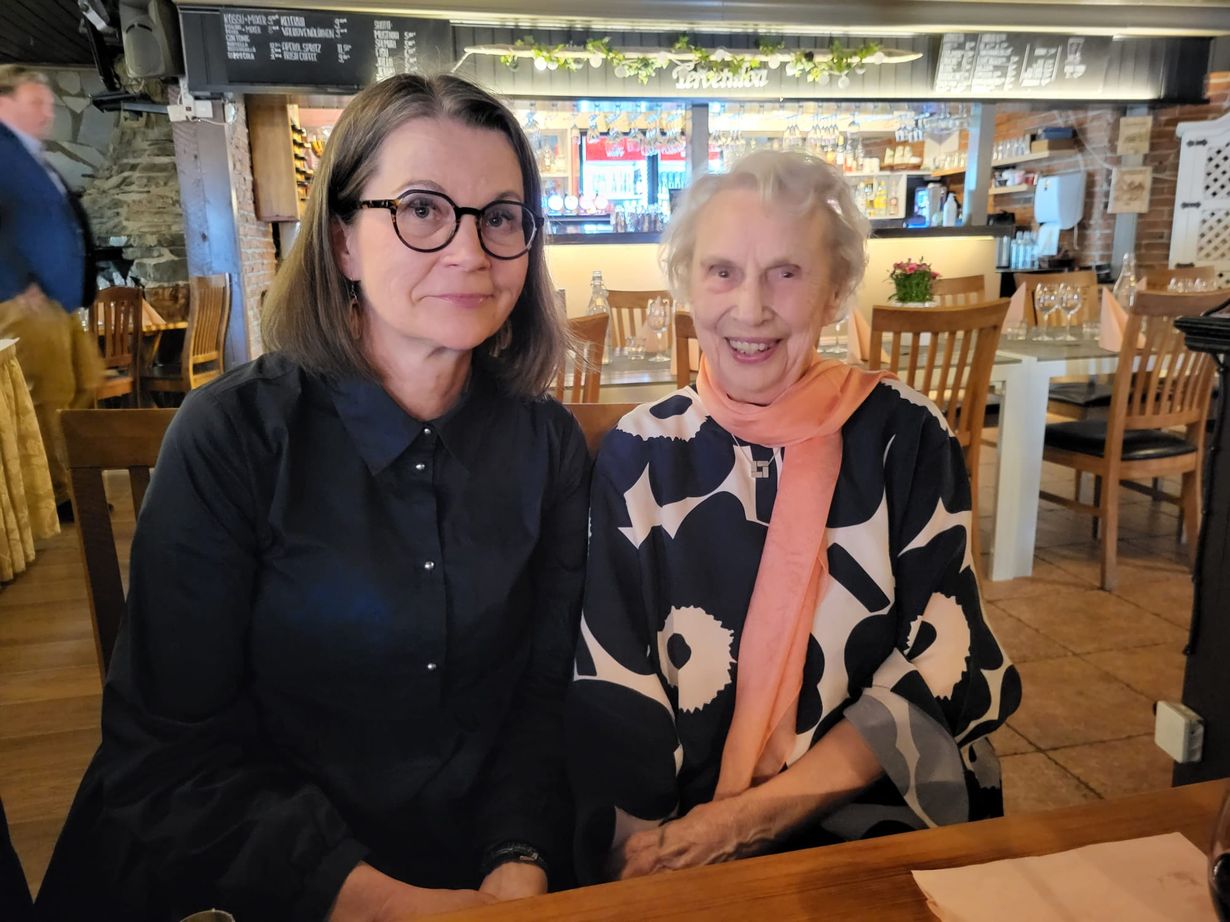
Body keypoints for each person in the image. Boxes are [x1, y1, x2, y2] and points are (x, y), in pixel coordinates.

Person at [36, 73, 589, 921]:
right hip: (255, 880)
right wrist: (383, 905)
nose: (471, 252)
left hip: (477, 867)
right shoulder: (233, 437)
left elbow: (542, 698)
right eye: (422, 209)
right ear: (341, 243)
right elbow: (169, 755)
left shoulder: (547, 445)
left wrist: (518, 863)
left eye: (502, 217)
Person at [567, 150, 1021, 883]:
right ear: (687, 284)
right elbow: (615, 682)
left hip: (871, 814)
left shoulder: (905, 436)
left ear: (834, 292)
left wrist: (748, 822)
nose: (750, 309)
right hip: (677, 828)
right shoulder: (639, 452)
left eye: (786, 273)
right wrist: (647, 858)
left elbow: (945, 659)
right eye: (722, 271)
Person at [0, 64, 100, 521]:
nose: (48, 112)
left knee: (85, 385)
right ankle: (59, 496)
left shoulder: (28, 155)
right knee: (50, 399)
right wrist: (18, 284)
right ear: (4, 103)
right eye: (36, 102)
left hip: (61, 301)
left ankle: (74, 483)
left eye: (49, 103)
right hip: (27, 305)